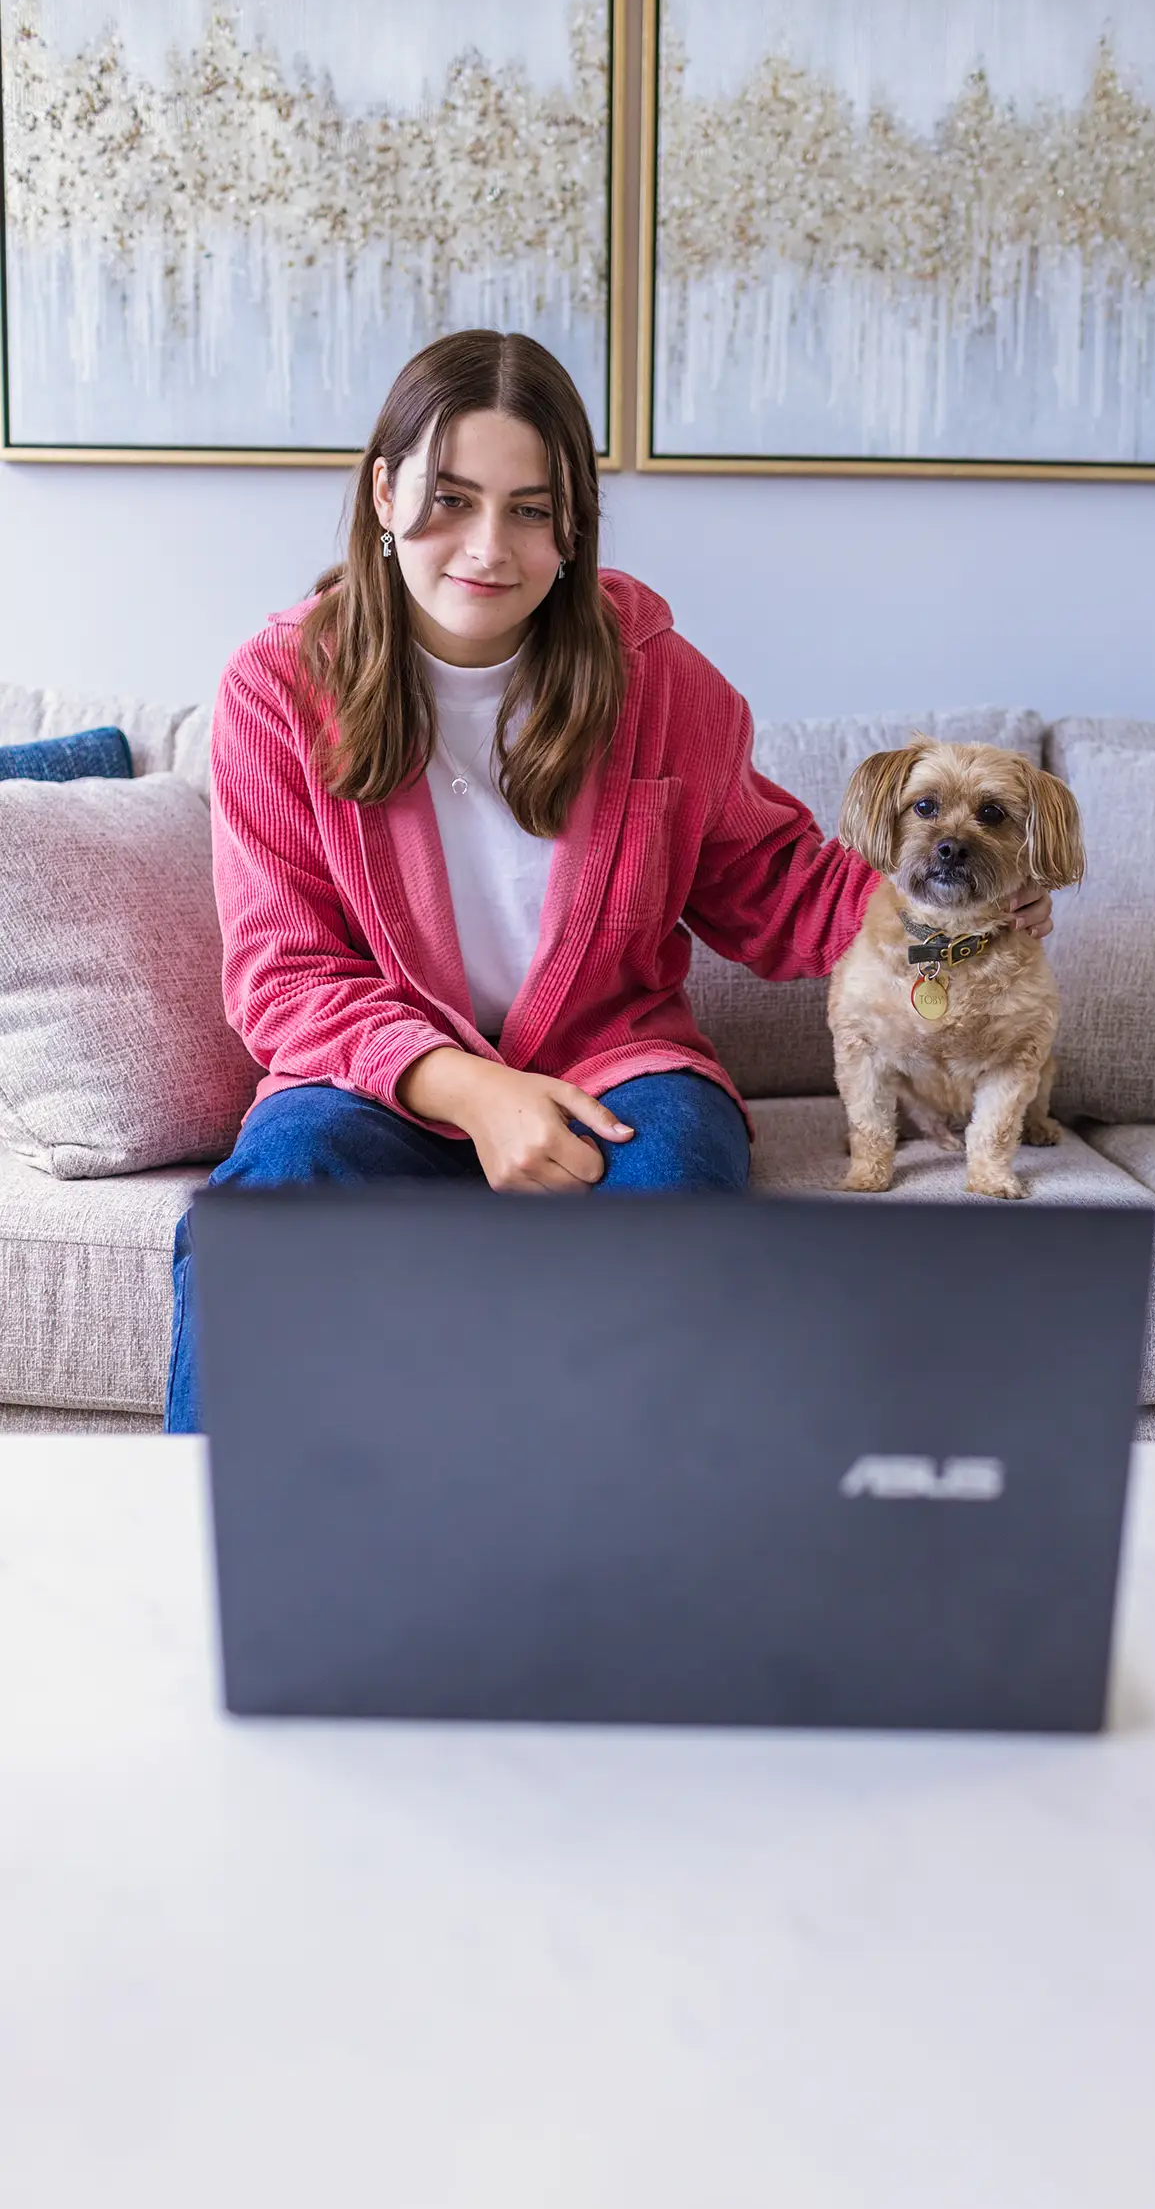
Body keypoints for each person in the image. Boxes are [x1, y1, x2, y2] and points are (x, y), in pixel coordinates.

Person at [164, 329, 1052, 1434]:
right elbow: (284, 973)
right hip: (371, 1087)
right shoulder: (276, 687)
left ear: (571, 523)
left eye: (530, 509)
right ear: (383, 495)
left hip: (615, 1070)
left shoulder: (659, 682)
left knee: (675, 1176)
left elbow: (772, 880)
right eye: (448, 498)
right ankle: (206, 1575)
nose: (487, 546)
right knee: (270, 1203)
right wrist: (479, 1093)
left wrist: (951, 913)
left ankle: (612, 1566)